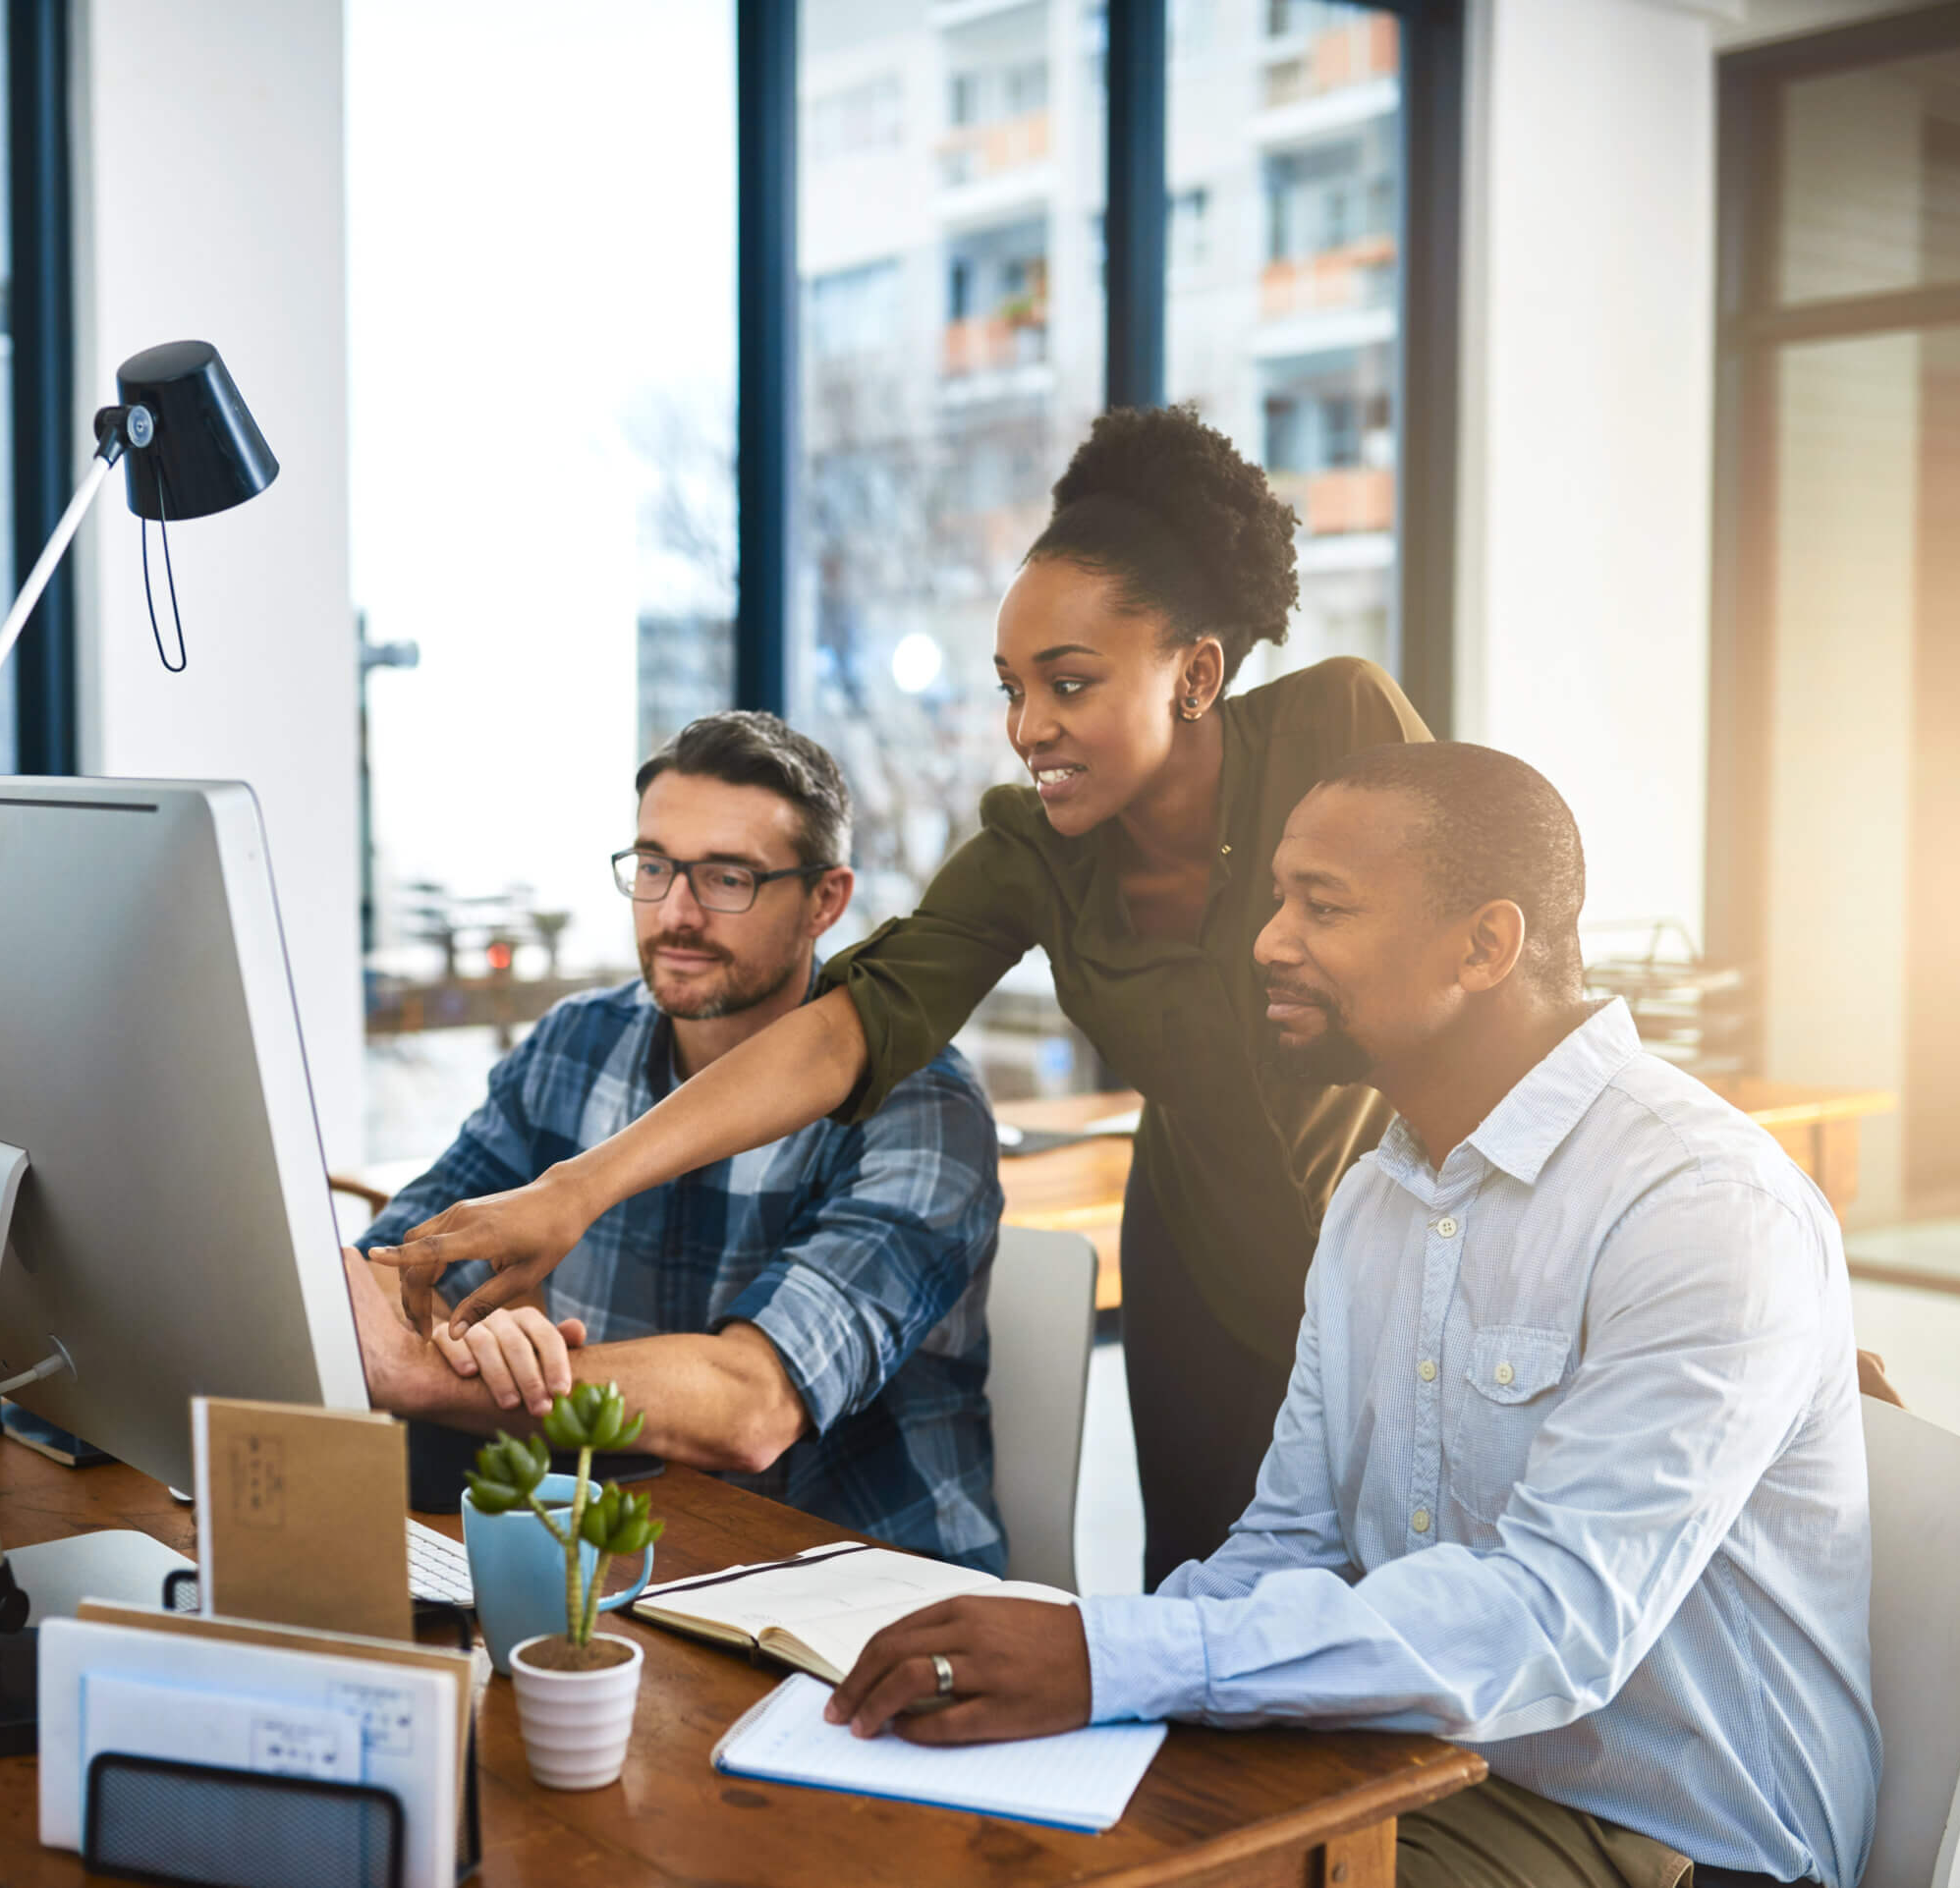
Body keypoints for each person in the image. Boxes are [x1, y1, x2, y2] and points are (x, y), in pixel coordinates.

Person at [372, 406, 1432, 1583]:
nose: (1030, 729)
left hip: (1405, 1229)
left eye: (1069, 684)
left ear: (1194, 673)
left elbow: (1472, 960)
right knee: (1218, 1593)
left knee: (1427, 1570)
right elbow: (847, 1030)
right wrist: (575, 1191)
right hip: (1202, 1252)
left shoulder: (1339, 726)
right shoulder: (1032, 851)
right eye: (1011, 688)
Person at [826, 743, 1878, 1888]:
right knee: (963, 1832)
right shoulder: (1378, 1193)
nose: (1267, 939)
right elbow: (1290, 1539)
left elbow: (1554, 1620)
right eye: (1277, 896)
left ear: (1485, 944)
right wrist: (1099, 1673)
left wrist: (1109, 1654)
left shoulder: (1699, 1204)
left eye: (1319, 905)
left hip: (1672, 1833)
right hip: (1413, 1758)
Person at [344, 712, 1007, 1571]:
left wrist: (438, 1374)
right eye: (654, 868)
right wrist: (482, 1345)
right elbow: (396, 1279)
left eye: (727, 878)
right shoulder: (577, 1044)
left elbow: (753, 1408)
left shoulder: (920, 1104)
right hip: (632, 1560)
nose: (676, 913)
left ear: (826, 901)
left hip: (863, 1593)